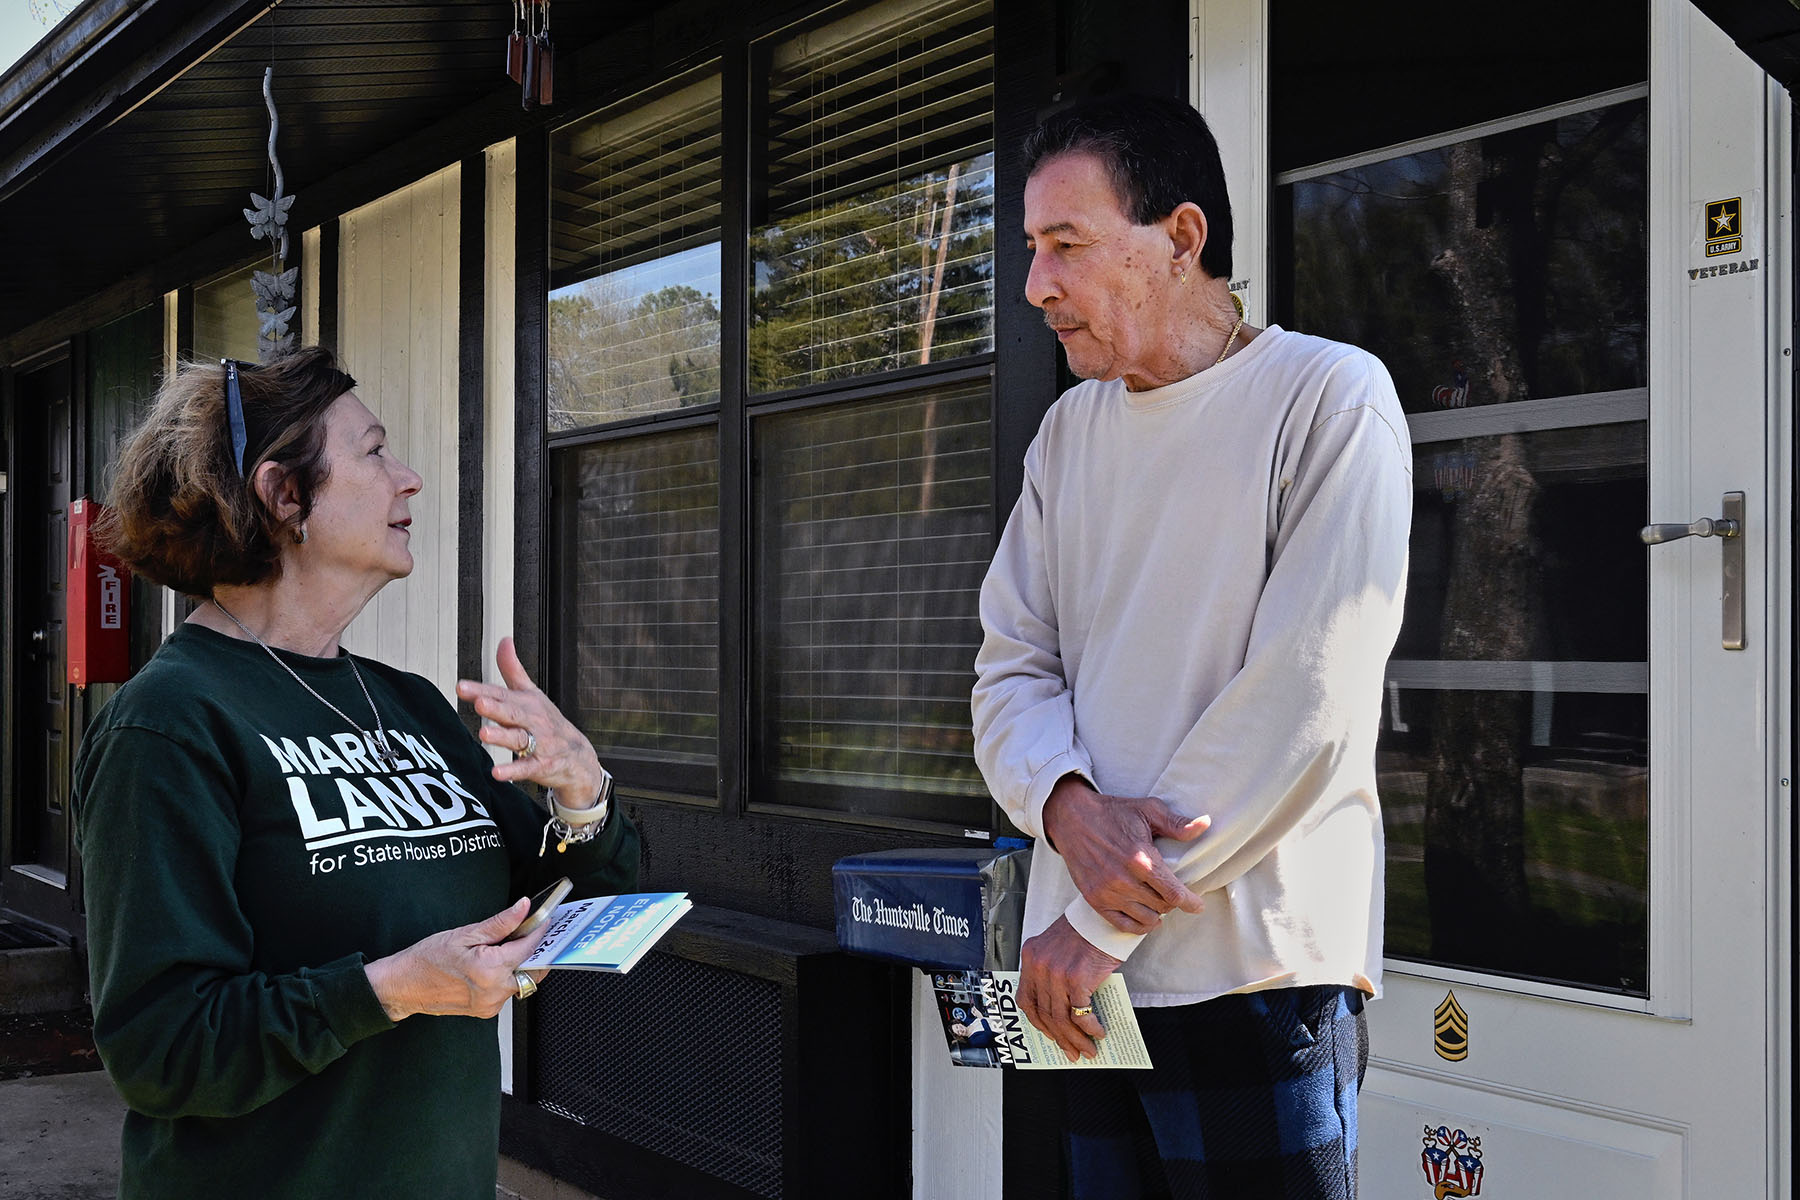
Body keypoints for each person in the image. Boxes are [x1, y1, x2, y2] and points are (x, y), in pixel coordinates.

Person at [971, 94, 1411, 1199]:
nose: (1037, 286)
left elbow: (1308, 694)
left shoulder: (1327, 397)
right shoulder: (1069, 435)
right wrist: (1065, 805)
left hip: (1253, 968)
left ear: (1180, 237)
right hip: (1076, 976)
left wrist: (1099, 915)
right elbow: (1010, 664)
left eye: (1065, 245)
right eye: (1033, 249)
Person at [73, 347, 640, 1199]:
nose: (408, 478)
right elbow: (163, 1050)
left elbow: (579, 898)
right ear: (283, 494)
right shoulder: (170, 726)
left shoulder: (407, 704)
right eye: (374, 451)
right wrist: (389, 989)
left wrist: (580, 791)